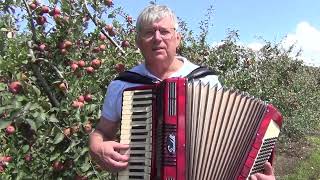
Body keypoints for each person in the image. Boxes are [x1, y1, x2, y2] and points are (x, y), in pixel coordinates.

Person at [89, 4, 276, 180]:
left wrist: (258, 173)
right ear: (138, 42)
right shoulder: (123, 85)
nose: (157, 38)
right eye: (148, 33)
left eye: (164, 31)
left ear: (177, 39)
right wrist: (96, 147)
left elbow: (233, 145)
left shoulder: (206, 80)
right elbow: (102, 131)